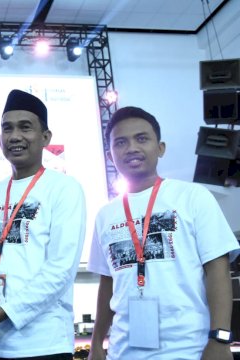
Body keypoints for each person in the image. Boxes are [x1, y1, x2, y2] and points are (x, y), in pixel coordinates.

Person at [86, 106, 239, 360]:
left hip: (188, 351)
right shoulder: (105, 215)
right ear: (111, 155)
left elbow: (218, 269)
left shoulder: (192, 196)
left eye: (142, 138)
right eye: (121, 142)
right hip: (122, 352)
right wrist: (95, 344)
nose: (132, 148)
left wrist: (220, 339)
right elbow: (107, 283)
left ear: (161, 148)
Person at [0, 89, 87, 360]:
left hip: (41, 344)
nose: (14, 136)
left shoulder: (64, 189)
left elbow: (61, 269)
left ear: (45, 137)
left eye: (25, 127)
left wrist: (0, 315)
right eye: (7, 129)